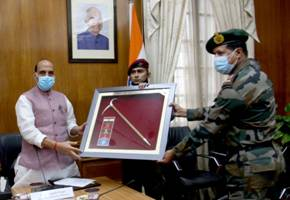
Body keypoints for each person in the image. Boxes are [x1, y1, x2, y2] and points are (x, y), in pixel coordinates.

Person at [160, 29, 285, 199]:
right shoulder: (254, 75)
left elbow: (209, 126)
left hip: (251, 164)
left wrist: (174, 152)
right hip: (261, 160)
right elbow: (225, 111)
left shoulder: (241, 83)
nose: (216, 59)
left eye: (220, 53)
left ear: (238, 52)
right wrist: (186, 112)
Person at [123, 59, 195, 200]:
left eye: (140, 71)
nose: (136, 75)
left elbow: (170, 116)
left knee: (153, 188)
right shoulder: (123, 95)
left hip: (151, 149)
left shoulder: (160, 93)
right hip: (129, 151)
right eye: (133, 72)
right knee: (130, 189)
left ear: (147, 73)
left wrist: (148, 94)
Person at [13, 59, 86, 188]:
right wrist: (57, 145)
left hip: (66, 165)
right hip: (35, 169)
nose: (47, 76)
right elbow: (29, 132)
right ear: (35, 75)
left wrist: (77, 129)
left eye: (50, 73)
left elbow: (69, 123)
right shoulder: (25, 99)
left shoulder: (63, 98)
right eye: (42, 72)